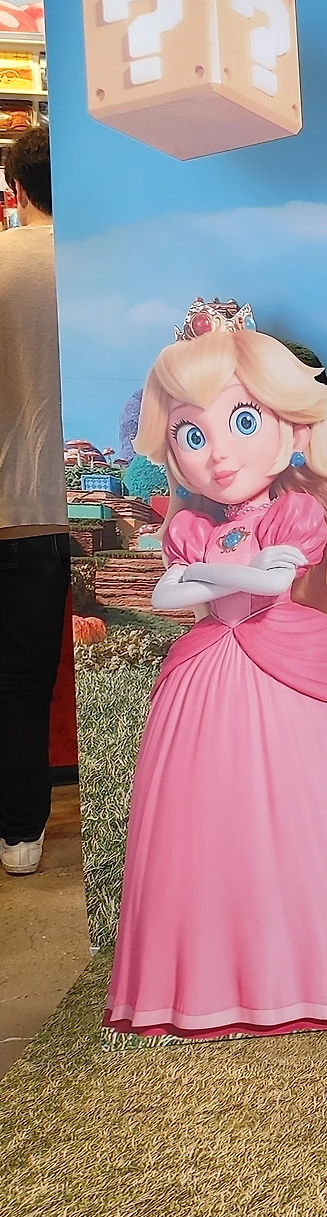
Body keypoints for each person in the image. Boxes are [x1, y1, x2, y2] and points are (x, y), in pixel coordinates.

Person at [103, 304, 327, 1038]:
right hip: (206, 672)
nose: (217, 455)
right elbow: (170, 593)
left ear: (292, 431)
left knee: (311, 819)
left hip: (295, 665)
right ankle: (214, 984)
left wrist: (218, 576)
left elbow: (270, 582)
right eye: (192, 435)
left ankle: (322, 975)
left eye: (242, 422)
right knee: (208, 825)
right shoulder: (191, 527)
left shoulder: (297, 515)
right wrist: (232, 573)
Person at [0, 126, 69, 876]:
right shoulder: (96, 263)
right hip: (73, 505)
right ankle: (23, 837)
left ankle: (19, 831)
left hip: (8, 503)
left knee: (15, 682)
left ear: (14, 190)